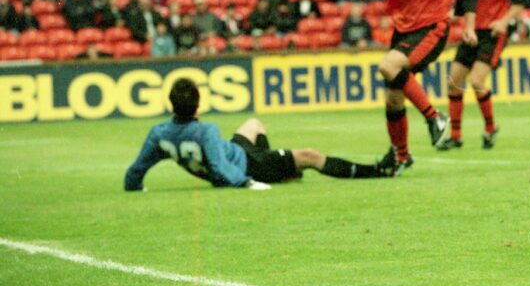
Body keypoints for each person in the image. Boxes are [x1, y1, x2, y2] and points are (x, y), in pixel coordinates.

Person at [371, 0, 477, 176]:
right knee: (393, 99)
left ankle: (435, 117)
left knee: (387, 66)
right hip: (402, 28)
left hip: (432, 29)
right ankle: (401, 156)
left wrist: (468, 27)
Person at [124, 78, 384, 191]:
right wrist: (247, 182)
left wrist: (132, 185)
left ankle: (283, 169)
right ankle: (376, 171)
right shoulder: (205, 130)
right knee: (310, 155)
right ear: (197, 104)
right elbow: (219, 165)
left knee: (254, 123)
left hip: (240, 152)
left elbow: (138, 167)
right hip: (251, 167)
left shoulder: (159, 133)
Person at [439, 0, 525, 151]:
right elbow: (464, 4)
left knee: (476, 81)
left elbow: (520, 0)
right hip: (471, 31)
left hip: (492, 33)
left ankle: (490, 128)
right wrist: (451, 16)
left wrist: (504, 21)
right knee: (454, 82)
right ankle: (456, 136)